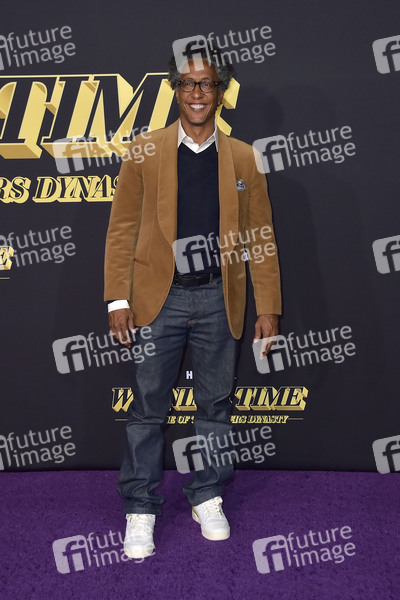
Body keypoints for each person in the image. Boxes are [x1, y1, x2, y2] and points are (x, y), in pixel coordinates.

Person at [104, 45, 281, 559]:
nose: (197, 93)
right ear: (175, 90)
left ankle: (207, 495)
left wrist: (268, 307)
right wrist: (117, 299)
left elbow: (260, 236)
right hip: (157, 300)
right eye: (187, 83)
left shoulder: (243, 157)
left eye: (207, 84)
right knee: (147, 410)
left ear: (220, 92)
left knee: (215, 407)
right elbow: (121, 230)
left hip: (218, 298)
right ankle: (140, 505)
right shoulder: (144, 151)